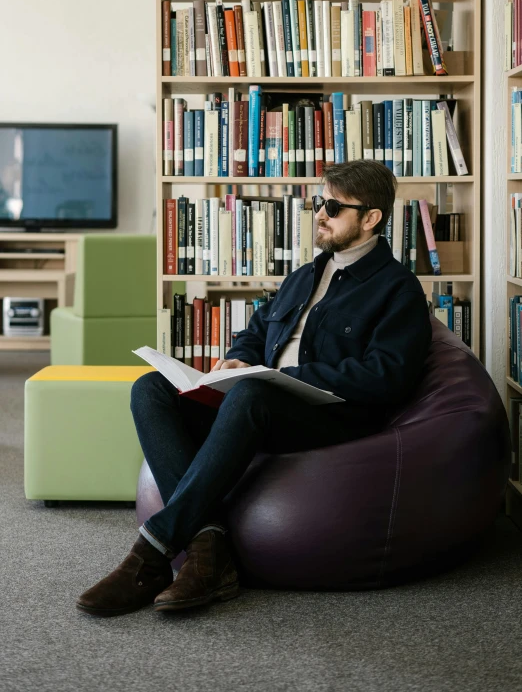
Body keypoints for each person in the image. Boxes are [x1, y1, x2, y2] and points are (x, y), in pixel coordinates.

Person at [76, 159, 432, 618]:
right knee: (151, 387)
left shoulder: (397, 289)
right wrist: (241, 358)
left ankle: (151, 553)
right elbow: (259, 329)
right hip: (260, 400)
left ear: (370, 218)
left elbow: (388, 376)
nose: (319, 214)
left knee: (251, 395)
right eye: (318, 203)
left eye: (333, 207)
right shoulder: (307, 274)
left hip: (330, 415)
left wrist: (286, 380)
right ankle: (210, 548)